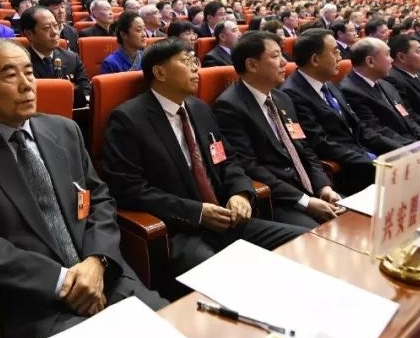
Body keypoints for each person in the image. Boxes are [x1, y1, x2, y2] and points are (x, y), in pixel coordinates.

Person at [0, 39, 166, 338]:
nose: (26, 84)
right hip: (36, 302)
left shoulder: (64, 130)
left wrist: (97, 261)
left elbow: (99, 199)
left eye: (29, 72)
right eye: (9, 75)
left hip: (104, 277)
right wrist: (63, 281)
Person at [102, 39, 305, 273]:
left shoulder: (199, 108)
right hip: (181, 230)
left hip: (227, 219)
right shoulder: (128, 119)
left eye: (195, 61)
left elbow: (227, 160)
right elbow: (129, 189)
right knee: (228, 276)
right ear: (160, 72)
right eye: (186, 61)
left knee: (304, 240)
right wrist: (197, 213)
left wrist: (240, 192)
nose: (195, 68)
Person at [214, 32, 343, 229]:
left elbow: (304, 148)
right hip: (278, 200)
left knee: (359, 216)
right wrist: (305, 201)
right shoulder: (230, 106)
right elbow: (249, 166)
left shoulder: (283, 99)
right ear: (252, 65)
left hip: (310, 190)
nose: (284, 62)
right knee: (321, 235)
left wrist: (323, 187)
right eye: (275, 56)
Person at [281, 29, 391, 193]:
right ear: (315, 59)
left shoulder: (329, 84)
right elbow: (321, 143)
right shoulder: (291, 94)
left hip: (364, 155)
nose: (340, 57)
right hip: (345, 171)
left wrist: (398, 148)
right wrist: (372, 162)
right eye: (335, 52)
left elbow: (359, 127)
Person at [340, 38, 420, 149]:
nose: (392, 60)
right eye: (387, 55)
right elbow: (375, 130)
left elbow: (407, 117)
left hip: (411, 142)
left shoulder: (386, 83)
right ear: (370, 61)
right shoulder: (350, 91)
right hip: (394, 149)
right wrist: (412, 147)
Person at [21, 7, 91, 108]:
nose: (55, 32)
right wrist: (68, 88)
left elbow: (85, 90)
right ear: (29, 34)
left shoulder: (72, 58)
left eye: (56, 26)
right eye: (46, 28)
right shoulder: (21, 63)